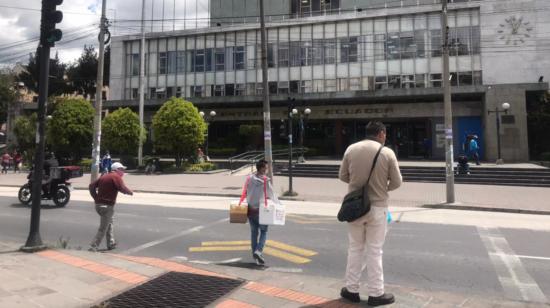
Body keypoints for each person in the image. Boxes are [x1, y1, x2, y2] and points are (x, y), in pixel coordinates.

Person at [338, 121, 402, 306]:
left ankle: (351, 290)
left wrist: (357, 185)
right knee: (374, 251)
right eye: (385, 134)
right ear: (381, 133)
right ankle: (376, 294)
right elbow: (397, 182)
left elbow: (342, 176)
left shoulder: (351, 149)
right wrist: (383, 188)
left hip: (355, 208)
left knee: (355, 249)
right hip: (378, 207)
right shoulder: (387, 152)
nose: (385, 137)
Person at [88, 162, 133, 252]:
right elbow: (122, 188)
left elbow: (91, 186)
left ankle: (111, 243)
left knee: (110, 224)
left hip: (99, 205)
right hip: (107, 207)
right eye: (122, 169)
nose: (123, 172)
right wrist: (130, 192)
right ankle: (93, 246)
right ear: (117, 170)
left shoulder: (105, 176)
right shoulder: (116, 177)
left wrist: (96, 198)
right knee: (103, 228)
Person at [245, 159, 277, 266]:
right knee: (264, 232)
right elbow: (272, 195)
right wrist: (279, 205)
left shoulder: (249, 178)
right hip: (261, 212)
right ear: (262, 168)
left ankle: (256, 256)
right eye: (266, 168)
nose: (267, 170)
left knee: (254, 233)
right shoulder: (266, 180)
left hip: (250, 210)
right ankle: (258, 251)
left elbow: (245, 192)